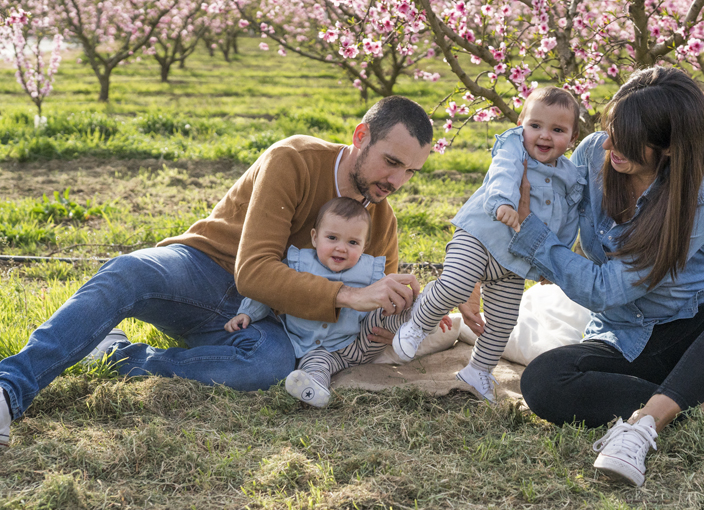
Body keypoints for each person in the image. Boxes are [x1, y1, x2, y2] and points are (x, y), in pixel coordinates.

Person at [0, 96, 434, 448]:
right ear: (361, 137)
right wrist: (345, 296)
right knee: (129, 272)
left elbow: (366, 320)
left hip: (269, 319)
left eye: (411, 171)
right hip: (205, 269)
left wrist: (391, 319)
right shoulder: (295, 159)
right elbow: (254, 272)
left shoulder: (383, 222)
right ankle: (9, 388)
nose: (397, 180)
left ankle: (119, 356)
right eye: (391, 162)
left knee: (268, 365)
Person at [508, 67, 704, 487]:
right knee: (543, 381)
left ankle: (643, 427)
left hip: (699, 343)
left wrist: (531, 232)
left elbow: (606, 289)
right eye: (611, 130)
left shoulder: (699, 202)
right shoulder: (593, 154)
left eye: (626, 140)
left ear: (670, 149)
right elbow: (549, 199)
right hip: (622, 339)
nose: (609, 144)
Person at [392, 87, 586, 402]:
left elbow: (567, 220)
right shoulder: (514, 147)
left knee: (504, 321)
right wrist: (502, 203)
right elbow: (503, 174)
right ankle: (419, 323)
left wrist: (554, 263)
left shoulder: (570, 176)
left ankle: (478, 370)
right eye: (535, 125)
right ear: (521, 123)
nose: (544, 136)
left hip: (514, 260)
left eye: (558, 130)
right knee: (455, 286)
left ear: (573, 137)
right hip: (481, 235)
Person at [225, 197, 407, 408]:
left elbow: (387, 296)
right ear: (314, 237)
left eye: (353, 242)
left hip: (359, 341)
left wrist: (403, 313)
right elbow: (270, 291)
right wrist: (247, 313)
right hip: (314, 348)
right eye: (332, 238)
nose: (341, 248)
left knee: (387, 308)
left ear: (364, 246)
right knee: (316, 365)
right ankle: (315, 389)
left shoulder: (370, 272)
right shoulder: (299, 264)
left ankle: (423, 317)